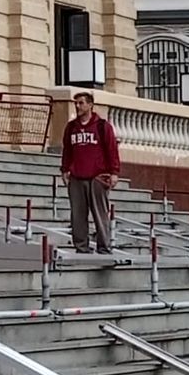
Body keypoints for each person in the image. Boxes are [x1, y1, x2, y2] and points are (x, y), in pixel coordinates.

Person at [60, 92, 121, 254]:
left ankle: (104, 246)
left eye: (81, 103)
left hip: (97, 177)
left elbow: (112, 150)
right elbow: (67, 150)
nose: (78, 106)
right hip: (77, 177)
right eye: (76, 103)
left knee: (100, 213)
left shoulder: (102, 126)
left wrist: (114, 172)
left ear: (90, 105)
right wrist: (65, 170)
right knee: (77, 216)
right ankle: (81, 246)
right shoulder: (71, 127)